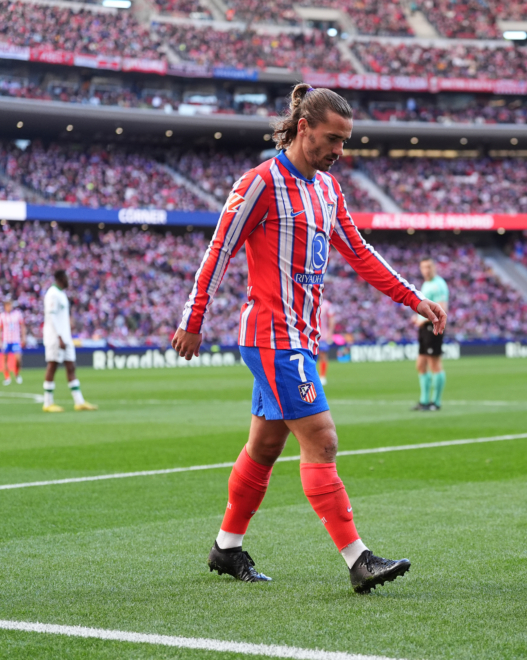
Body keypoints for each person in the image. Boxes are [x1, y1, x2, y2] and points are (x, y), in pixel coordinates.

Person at [171, 83, 447, 594]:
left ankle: (226, 549)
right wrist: (194, 318)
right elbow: (220, 249)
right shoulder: (260, 183)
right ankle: (358, 559)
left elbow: (360, 253)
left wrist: (414, 299)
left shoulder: (326, 189)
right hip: (271, 337)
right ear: (303, 128)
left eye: (345, 141)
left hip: (300, 337)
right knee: (322, 440)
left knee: (265, 445)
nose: (339, 151)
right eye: (332, 139)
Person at [42, 270, 97, 413]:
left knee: (71, 366)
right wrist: (59, 336)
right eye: (66, 278)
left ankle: (79, 402)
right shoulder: (52, 294)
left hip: (65, 336)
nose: (68, 281)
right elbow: (52, 316)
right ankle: (47, 403)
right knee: (52, 366)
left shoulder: (61, 294)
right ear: (61, 278)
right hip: (55, 337)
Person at [412, 257, 449, 411]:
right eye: (423, 267)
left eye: (429, 267)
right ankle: (424, 401)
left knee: (435, 364)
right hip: (423, 328)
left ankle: (436, 402)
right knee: (420, 364)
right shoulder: (426, 284)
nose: (426, 270)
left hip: (432, 327)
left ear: (434, 268)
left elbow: (441, 307)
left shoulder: (438, 284)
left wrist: (422, 320)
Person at [0, 300, 25, 385]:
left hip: (16, 340)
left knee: (18, 359)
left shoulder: (18, 314)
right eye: (7, 305)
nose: (9, 307)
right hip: (6, 340)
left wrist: (23, 337)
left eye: (10, 305)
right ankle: (7, 377)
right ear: (5, 307)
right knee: (5, 359)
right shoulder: (1, 316)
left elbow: (22, 326)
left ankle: (16, 374)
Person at [318, 298, 336, 386]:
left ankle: (322, 376)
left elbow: (331, 319)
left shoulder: (326, 304)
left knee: (323, 355)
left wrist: (330, 333)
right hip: (308, 335)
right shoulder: (307, 299)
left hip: (322, 335)